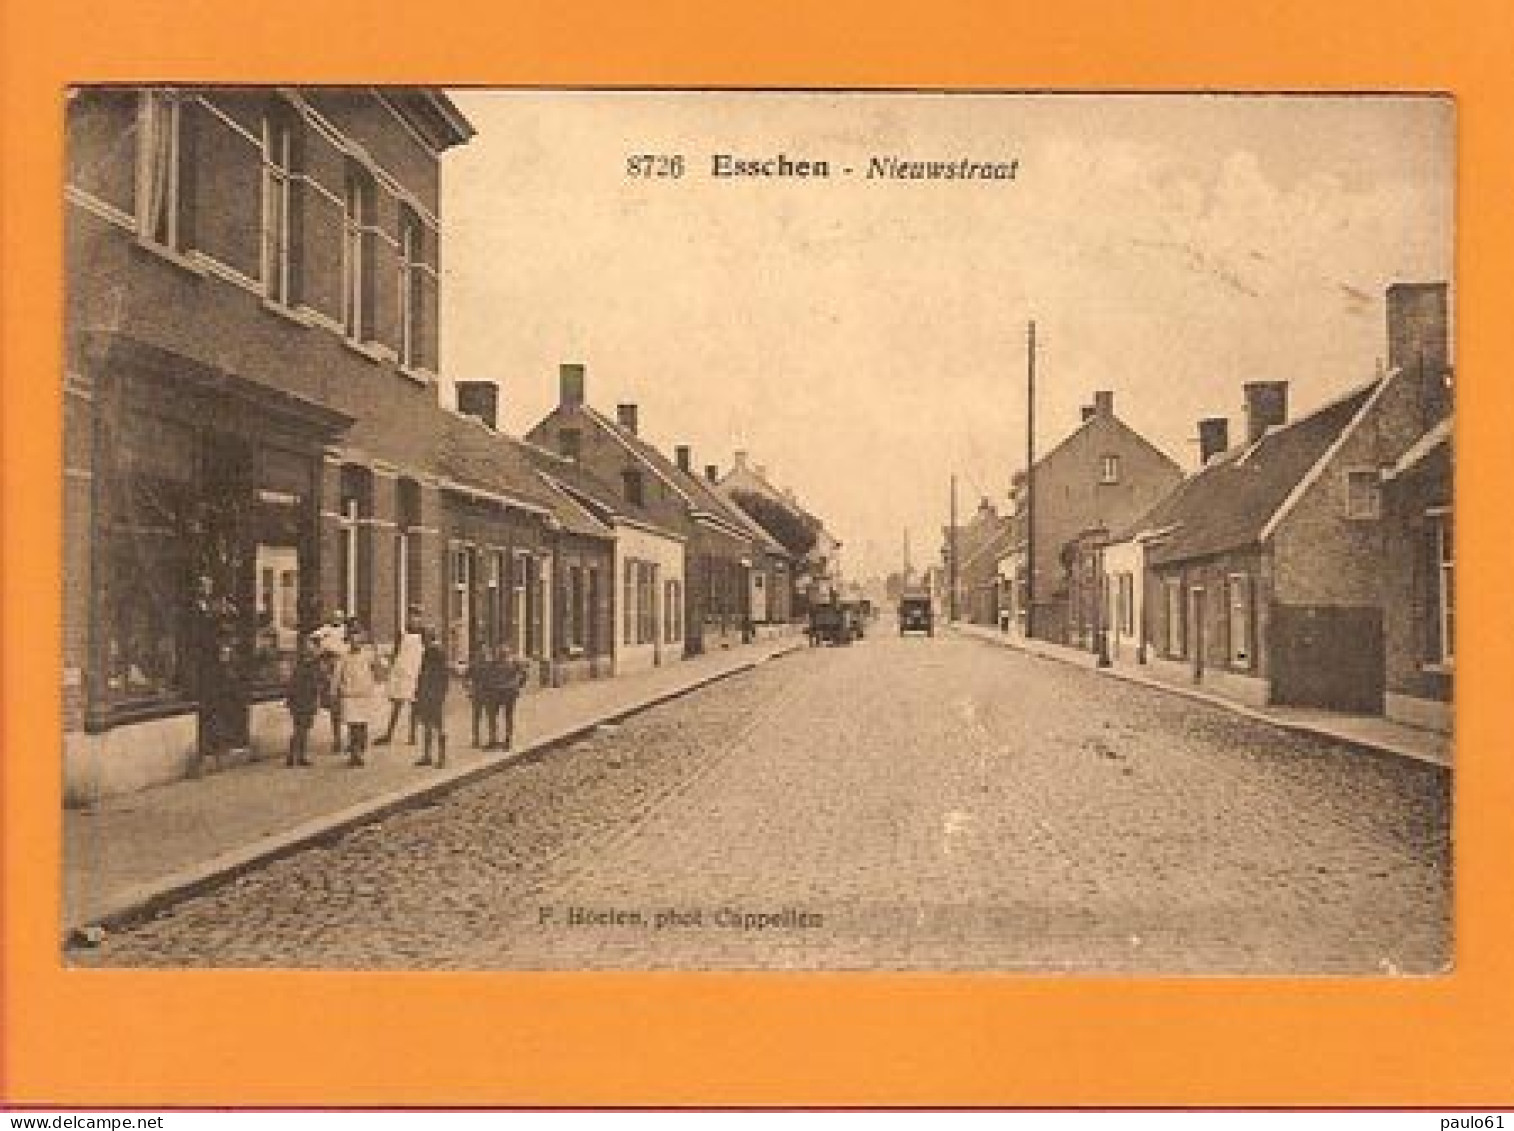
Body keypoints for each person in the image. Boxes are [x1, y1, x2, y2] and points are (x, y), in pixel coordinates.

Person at [331, 621, 381, 766]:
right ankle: (354, 754)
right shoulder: (343, 656)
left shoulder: (367, 655)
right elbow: (337, 675)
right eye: (352, 638)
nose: (355, 642)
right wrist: (334, 691)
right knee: (353, 726)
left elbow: (378, 668)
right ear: (349, 639)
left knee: (362, 725)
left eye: (358, 638)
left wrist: (376, 653)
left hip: (364, 695)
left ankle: (359, 751)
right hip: (349, 696)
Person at [374, 605, 424, 747]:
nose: (415, 619)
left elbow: (424, 654)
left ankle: (412, 735)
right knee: (397, 704)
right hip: (401, 672)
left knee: (414, 705)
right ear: (409, 617)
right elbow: (396, 653)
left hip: (415, 672)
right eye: (412, 616)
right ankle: (389, 734)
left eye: (417, 616)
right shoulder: (401, 633)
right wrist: (391, 667)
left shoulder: (423, 634)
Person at [310, 609, 349, 755]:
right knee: (335, 707)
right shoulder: (326, 630)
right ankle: (337, 739)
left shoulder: (346, 631)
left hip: (345, 667)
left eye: (340, 618)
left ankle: (350, 739)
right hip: (332, 668)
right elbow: (313, 637)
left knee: (348, 707)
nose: (337, 620)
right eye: (335, 618)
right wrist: (322, 650)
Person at [411, 627, 450, 768]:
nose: (422, 640)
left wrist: (440, 694)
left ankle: (441, 758)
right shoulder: (428, 652)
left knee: (437, 726)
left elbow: (443, 675)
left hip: (434, 694)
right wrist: (419, 690)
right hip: (427, 693)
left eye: (424, 638)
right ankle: (428, 756)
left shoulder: (436, 651)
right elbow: (422, 674)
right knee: (427, 725)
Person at [283, 633, 321, 767]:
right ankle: (293, 755)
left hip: (305, 701)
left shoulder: (309, 666)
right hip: (302, 701)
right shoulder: (304, 667)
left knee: (302, 729)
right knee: (300, 729)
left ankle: (299, 756)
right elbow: (296, 685)